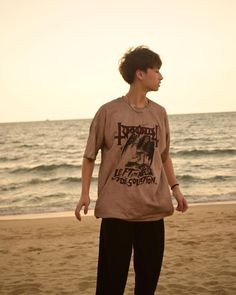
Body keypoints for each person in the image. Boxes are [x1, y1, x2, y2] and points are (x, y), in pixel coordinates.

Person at [75, 46, 188, 295]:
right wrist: (85, 194)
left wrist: (176, 189)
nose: (161, 77)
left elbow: (164, 156)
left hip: (152, 210)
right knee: (110, 285)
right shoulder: (108, 111)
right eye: (156, 71)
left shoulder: (159, 113)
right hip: (117, 212)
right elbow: (89, 156)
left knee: (147, 285)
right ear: (140, 73)